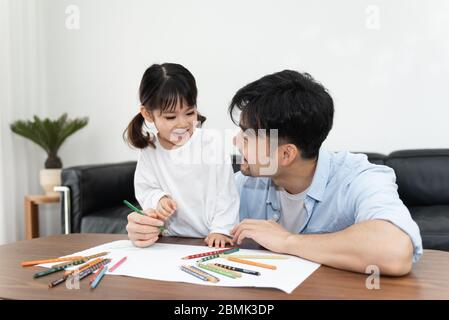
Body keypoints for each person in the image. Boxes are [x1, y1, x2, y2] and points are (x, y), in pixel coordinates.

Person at [229, 70, 422, 276]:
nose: (236, 142)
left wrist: (287, 241)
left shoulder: (358, 178)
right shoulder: (245, 184)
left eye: (247, 137)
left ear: (285, 154)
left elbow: (394, 252)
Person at [124, 63, 239, 248]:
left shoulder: (210, 144)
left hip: (211, 238)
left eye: (190, 113)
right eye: (171, 117)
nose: (183, 123)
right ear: (148, 113)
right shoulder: (149, 150)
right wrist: (158, 199)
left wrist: (221, 229)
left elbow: (226, 193)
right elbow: (145, 188)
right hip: (172, 241)